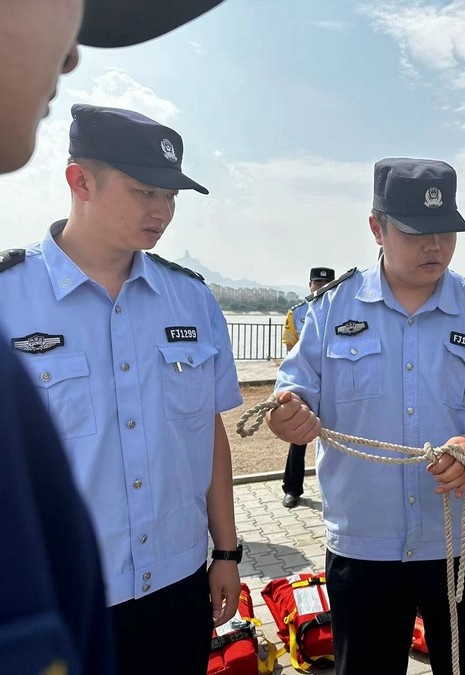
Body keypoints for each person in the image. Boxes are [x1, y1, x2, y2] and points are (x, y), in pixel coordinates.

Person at [0, 2, 223, 674]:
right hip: (65, 599)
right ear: (80, 181)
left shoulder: (191, 299)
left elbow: (208, 432)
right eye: (144, 191)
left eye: (171, 195)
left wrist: (228, 551)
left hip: (178, 586)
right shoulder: (10, 300)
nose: (163, 210)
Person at [266, 158, 465, 675]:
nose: (435, 246)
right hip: (364, 547)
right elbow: (291, 394)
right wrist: (288, 417)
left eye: (446, 232)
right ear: (377, 227)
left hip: (459, 546)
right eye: (416, 232)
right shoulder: (331, 309)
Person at [281, 266, 336, 508]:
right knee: (299, 436)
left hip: (336, 382)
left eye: (326, 284)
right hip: (308, 380)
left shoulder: (343, 308)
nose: (321, 288)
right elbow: (290, 346)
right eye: (317, 283)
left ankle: (338, 493)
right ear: (310, 284)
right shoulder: (297, 312)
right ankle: (292, 488)